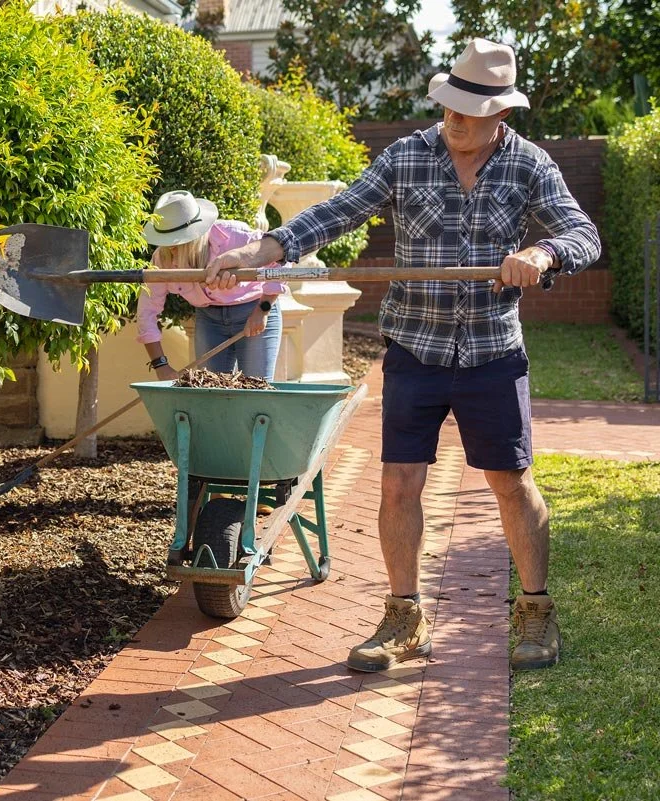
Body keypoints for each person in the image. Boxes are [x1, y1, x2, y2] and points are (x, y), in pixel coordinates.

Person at [204, 39, 601, 672]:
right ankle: (403, 616)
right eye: (449, 105)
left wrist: (543, 255)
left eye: (470, 111)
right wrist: (263, 250)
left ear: (502, 114)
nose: (454, 120)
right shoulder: (409, 156)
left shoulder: (530, 165)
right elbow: (338, 212)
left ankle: (535, 614)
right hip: (415, 348)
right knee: (398, 484)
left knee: (510, 482)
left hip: (493, 353)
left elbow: (583, 232)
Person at [137, 190, 287, 381]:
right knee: (211, 390)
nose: (170, 248)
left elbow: (281, 257)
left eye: (175, 241)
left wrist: (263, 309)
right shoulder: (161, 258)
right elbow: (147, 311)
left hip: (254, 310)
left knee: (257, 390)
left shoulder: (234, 236)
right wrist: (160, 364)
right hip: (209, 320)